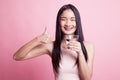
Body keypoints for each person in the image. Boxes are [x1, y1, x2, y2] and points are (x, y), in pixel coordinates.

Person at [13, 4, 94, 80]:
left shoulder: (88, 46)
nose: (68, 23)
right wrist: (37, 40)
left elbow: (87, 78)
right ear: (59, 22)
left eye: (72, 19)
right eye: (63, 19)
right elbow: (17, 56)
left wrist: (80, 53)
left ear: (78, 22)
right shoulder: (52, 46)